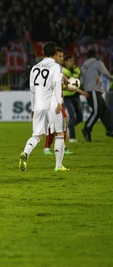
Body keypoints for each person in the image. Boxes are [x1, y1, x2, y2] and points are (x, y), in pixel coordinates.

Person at [19, 42, 68, 172]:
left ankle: (25, 153)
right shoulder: (56, 67)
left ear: (44, 52)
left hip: (39, 104)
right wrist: (59, 103)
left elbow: (32, 90)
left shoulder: (35, 68)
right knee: (59, 133)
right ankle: (58, 165)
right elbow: (57, 85)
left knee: (37, 135)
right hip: (52, 103)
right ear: (54, 54)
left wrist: (33, 108)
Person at [80, 49, 113, 141]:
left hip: (88, 90)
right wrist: (111, 78)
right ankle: (87, 129)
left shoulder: (83, 65)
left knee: (104, 110)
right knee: (97, 111)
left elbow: (82, 79)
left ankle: (110, 130)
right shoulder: (97, 62)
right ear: (95, 55)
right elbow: (105, 73)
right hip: (94, 90)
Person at [62, 55, 86, 142]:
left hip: (75, 95)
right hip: (67, 96)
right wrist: (67, 87)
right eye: (69, 61)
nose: (71, 62)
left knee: (80, 117)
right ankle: (72, 137)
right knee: (72, 115)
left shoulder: (77, 70)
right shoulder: (62, 71)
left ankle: (69, 127)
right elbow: (65, 84)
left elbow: (76, 82)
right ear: (65, 62)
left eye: (72, 60)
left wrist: (81, 91)